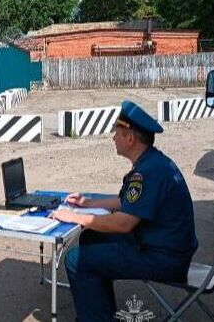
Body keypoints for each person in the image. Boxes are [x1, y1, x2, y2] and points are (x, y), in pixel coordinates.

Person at [50, 100, 197, 322]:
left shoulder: (147, 172)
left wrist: (74, 217)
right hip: (167, 247)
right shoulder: (152, 163)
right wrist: (86, 203)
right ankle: (102, 312)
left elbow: (123, 223)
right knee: (91, 237)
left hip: (164, 258)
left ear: (130, 138)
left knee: (74, 259)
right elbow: (124, 201)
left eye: (117, 133)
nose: (113, 138)